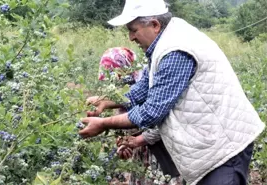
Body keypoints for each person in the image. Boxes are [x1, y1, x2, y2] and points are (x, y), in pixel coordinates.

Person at [79, 0, 266, 185]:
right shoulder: (165, 41)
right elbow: (145, 86)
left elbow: (151, 112)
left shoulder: (175, 50)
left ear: (154, 25)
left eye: (133, 30)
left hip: (223, 149)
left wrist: (104, 124)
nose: (131, 37)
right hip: (209, 145)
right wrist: (108, 101)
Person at [95, 47, 183, 185]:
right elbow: (127, 128)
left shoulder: (152, 89)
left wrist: (139, 140)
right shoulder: (122, 97)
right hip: (143, 162)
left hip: (164, 157)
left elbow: (165, 122)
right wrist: (125, 146)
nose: (114, 86)